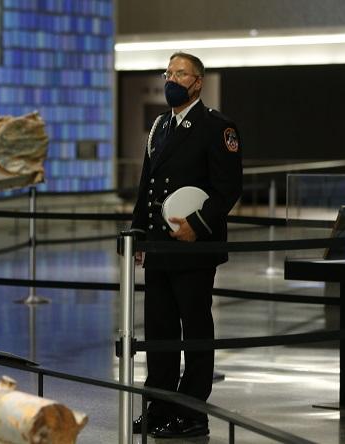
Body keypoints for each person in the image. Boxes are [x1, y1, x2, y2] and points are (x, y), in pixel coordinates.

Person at [130, 52, 242, 438]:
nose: (172, 79)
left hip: (194, 247)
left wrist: (197, 225)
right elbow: (147, 187)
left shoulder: (216, 127)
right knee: (159, 332)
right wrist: (139, 236)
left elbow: (228, 188)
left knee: (195, 331)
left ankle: (192, 411)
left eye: (181, 73)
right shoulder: (160, 126)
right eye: (168, 72)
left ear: (198, 82)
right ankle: (159, 406)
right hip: (160, 248)